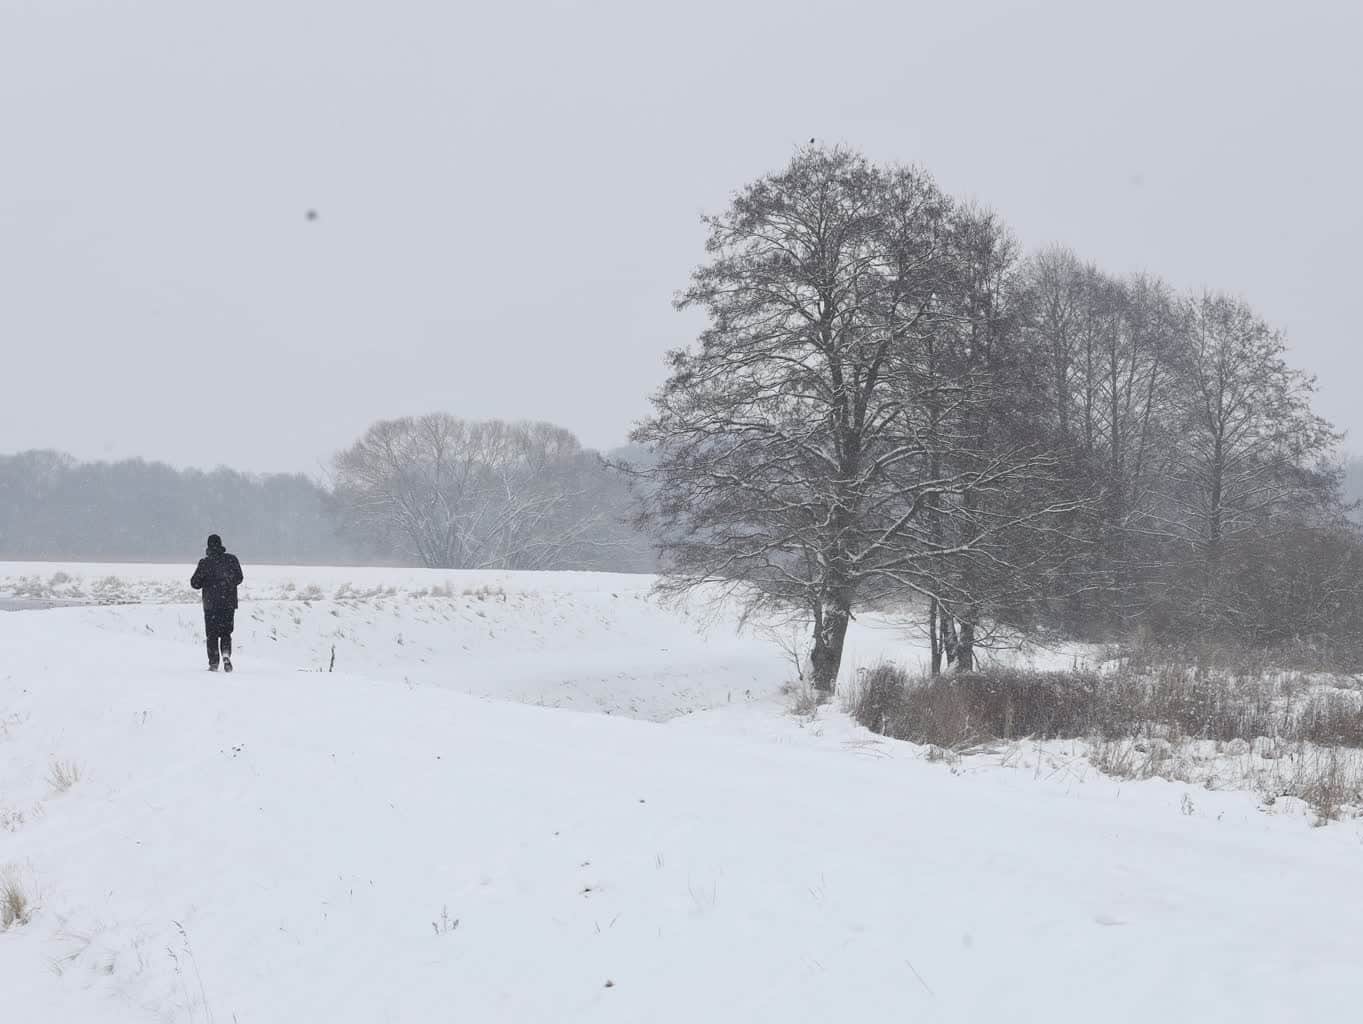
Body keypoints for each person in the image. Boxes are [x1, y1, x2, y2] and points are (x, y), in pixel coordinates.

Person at [190, 534, 244, 672]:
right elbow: (239, 578)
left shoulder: (205, 563)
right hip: (228, 604)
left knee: (212, 635)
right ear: (221, 544)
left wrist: (207, 581)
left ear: (208, 546)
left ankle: (214, 663)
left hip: (211, 605)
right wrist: (227, 583)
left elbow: (194, 583)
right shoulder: (232, 560)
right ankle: (226, 655)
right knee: (226, 632)